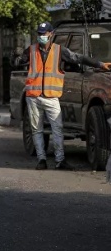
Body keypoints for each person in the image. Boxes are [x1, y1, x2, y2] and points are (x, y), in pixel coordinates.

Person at [15, 21, 111, 170]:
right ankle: (42, 160)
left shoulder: (59, 51)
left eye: (44, 34)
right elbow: (19, 62)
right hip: (33, 97)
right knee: (37, 130)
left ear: (51, 34)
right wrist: (17, 58)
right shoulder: (30, 51)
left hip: (51, 97)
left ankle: (60, 160)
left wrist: (99, 64)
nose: (42, 37)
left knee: (57, 129)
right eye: (40, 34)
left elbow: (78, 58)